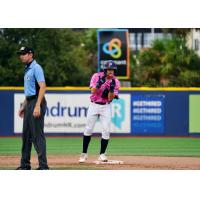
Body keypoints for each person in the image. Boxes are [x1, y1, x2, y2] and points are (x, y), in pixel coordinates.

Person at [79, 60, 120, 163]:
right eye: (109, 70)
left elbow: (110, 99)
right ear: (105, 70)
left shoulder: (115, 81)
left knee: (106, 130)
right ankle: (84, 154)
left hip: (106, 106)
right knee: (88, 129)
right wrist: (98, 84)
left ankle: (102, 154)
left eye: (113, 70)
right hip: (94, 104)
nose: (111, 72)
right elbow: (92, 91)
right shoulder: (96, 76)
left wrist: (111, 90)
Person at [16, 46, 49, 170]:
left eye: (23, 54)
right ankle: (25, 164)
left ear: (30, 54)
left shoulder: (36, 68)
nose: (21, 56)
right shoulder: (27, 69)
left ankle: (43, 165)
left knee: (37, 135)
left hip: (37, 102)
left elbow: (43, 87)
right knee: (26, 135)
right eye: (20, 54)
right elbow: (29, 91)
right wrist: (24, 106)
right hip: (29, 102)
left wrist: (37, 106)